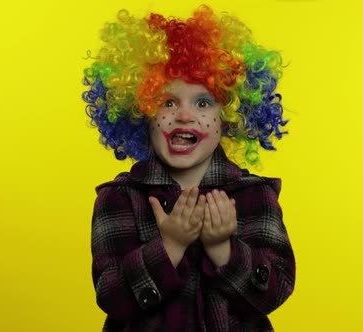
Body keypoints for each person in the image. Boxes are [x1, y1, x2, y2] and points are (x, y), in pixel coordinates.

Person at [83, 5, 295, 331]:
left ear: (228, 115)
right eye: (168, 102)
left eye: (203, 102)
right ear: (141, 110)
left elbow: (274, 292)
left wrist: (223, 249)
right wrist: (170, 246)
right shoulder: (119, 199)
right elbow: (112, 296)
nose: (184, 116)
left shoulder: (255, 196)